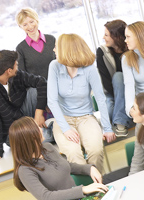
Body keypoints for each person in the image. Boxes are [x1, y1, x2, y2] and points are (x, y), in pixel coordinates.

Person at [47, 34, 116, 173]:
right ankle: (87, 190)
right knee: (73, 153)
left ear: (67, 50)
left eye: (56, 47)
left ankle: (99, 186)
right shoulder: (54, 66)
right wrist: (66, 128)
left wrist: (107, 128)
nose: (54, 50)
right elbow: (52, 101)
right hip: (63, 119)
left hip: (86, 117)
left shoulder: (90, 69)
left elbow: (100, 99)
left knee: (95, 150)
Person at [9, 116, 108, 200]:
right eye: (36, 128)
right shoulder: (24, 170)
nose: (41, 129)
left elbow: (66, 165)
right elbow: (45, 196)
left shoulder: (47, 147)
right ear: (29, 138)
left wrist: (89, 168)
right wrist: (82, 190)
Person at [0, 50, 48, 163]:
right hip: (12, 131)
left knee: (35, 91)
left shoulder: (17, 75)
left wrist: (38, 114)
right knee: (42, 140)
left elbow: (41, 82)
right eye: (16, 65)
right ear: (9, 71)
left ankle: (44, 125)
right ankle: (45, 132)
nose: (17, 67)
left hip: (25, 115)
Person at [96, 19, 134, 137]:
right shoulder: (102, 52)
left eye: (106, 35)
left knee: (119, 76)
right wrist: (122, 100)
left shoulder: (132, 50)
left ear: (117, 36)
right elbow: (106, 83)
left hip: (133, 94)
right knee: (107, 112)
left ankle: (120, 122)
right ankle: (122, 119)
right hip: (112, 96)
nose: (103, 37)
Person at [15, 7, 55, 80]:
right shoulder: (20, 48)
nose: (30, 26)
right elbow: (23, 76)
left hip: (57, 85)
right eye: (25, 25)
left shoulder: (51, 39)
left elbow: (61, 63)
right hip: (37, 89)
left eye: (31, 22)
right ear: (20, 26)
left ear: (37, 20)